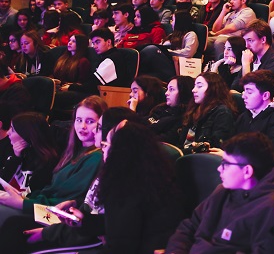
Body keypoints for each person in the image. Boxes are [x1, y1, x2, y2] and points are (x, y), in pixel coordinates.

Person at [27, 115, 183, 253]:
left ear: (122, 152)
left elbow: (120, 244)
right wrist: (84, 222)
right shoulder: (137, 177)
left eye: (107, 145)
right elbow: (116, 225)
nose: (103, 149)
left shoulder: (128, 188)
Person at [168, 132, 274, 252]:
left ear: (247, 171)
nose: (219, 169)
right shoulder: (222, 190)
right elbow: (190, 225)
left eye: (226, 164)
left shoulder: (270, 207)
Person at [0, 96, 105, 227]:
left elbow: (63, 200)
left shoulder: (96, 157)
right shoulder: (73, 152)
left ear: (102, 124)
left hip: (56, 218)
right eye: (79, 120)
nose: (82, 126)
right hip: (41, 208)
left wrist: (24, 203)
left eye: (90, 121)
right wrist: (25, 197)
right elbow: (51, 190)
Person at [235, 69, 274, 161]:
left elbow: (271, 152)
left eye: (249, 92)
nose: (243, 96)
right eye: (244, 91)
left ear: (265, 95)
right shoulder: (245, 116)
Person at [0, 112, 59, 196]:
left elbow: (33, 194)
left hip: (21, 204)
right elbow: (2, 181)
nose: (8, 132)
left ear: (26, 135)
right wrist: (16, 158)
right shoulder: (17, 152)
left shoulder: (47, 161)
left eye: (13, 129)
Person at [177, 72, 236, 154]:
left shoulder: (222, 113)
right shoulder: (194, 108)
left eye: (199, 86)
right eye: (194, 86)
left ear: (213, 89)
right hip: (185, 153)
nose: (193, 90)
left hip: (198, 158)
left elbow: (214, 146)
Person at [146, 75, 194, 144]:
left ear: (183, 92)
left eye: (171, 89)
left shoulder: (184, 116)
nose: (166, 93)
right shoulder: (160, 109)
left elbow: (167, 139)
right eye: (167, 89)